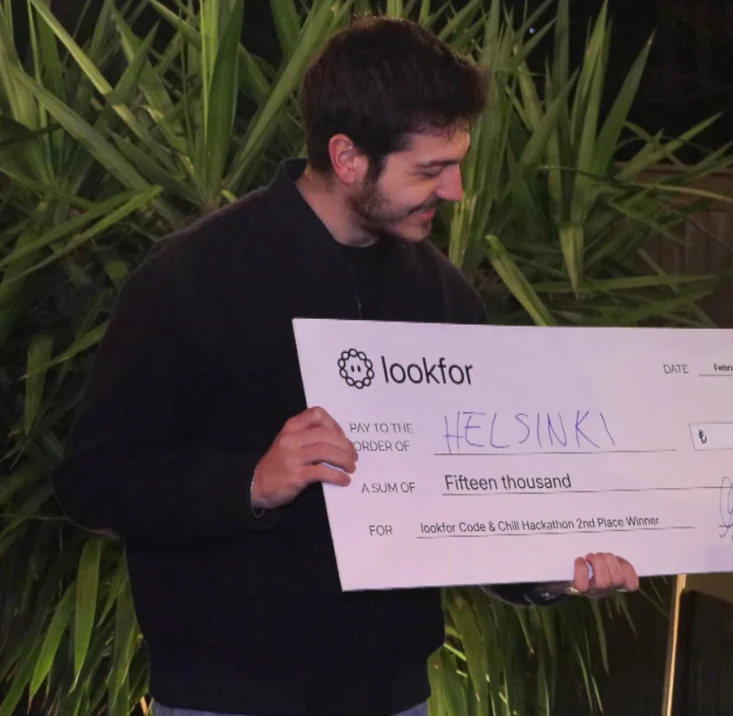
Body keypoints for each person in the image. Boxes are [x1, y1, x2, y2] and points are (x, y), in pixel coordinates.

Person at [50, 18, 638, 716]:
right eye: (430, 170)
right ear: (348, 157)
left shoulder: (443, 297)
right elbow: (94, 482)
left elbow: (470, 501)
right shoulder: (192, 277)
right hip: (226, 698)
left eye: (457, 164)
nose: (455, 191)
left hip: (395, 696)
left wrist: (555, 572)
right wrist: (251, 483)